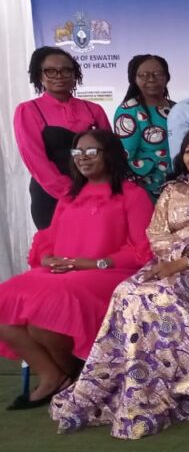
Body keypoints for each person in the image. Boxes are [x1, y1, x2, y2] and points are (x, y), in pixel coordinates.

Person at [50, 127, 189, 439]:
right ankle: (142, 383)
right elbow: (156, 233)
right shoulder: (173, 190)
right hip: (167, 264)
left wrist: (185, 260)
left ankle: (185, 383)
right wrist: (171, 259)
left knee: (161, 295)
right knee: (127, 291)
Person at [0, 129, 152, 409]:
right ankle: (52, 375)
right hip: (63, 272)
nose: (83, 158)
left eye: (91, 151)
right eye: (78, 152)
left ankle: (81, 376)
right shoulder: (70, 196)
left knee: (45, 311)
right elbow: (48, 239)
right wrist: (47, 259)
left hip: (109, 274)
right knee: (6, 299)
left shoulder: (132, 195)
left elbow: (141, 250)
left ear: (110, 155)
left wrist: (93, 263)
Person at [14, 46, 110, 228]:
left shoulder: (94, 109)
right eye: (51, 71)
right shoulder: (28, 110)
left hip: (96, 192)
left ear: (75, 74)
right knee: (58, 253)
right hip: (51, 196)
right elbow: (35, 159)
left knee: (96, 247)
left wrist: (100, 189)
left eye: (66, 70)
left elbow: (111, 153)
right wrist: (69, 192)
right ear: (39, 75)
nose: (60, 76)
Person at [113, 54, 174, 201]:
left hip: (178, 185)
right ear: (134, 79)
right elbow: (126, 156)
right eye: (143, 75)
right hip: (146, 186)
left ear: (167, 77)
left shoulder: (177, 108)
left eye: (157, 74)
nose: (151, 79)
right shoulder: (128, 110)